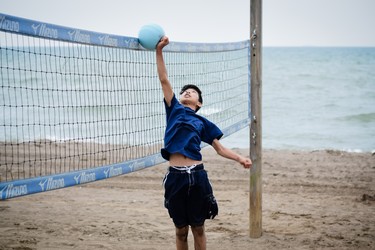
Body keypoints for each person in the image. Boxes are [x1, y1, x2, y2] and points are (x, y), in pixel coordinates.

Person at [156, 36, 252, 250]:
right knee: (181, 231)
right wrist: (159, 50)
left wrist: (240, 159)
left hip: (197, 176)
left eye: (192, 92)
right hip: (176, 177)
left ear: (198, 103)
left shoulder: (203, 122)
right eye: (184, 91)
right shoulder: (174, 109)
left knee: (198, 229)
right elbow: (163, 79)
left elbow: (219, 148)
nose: (186, 92)